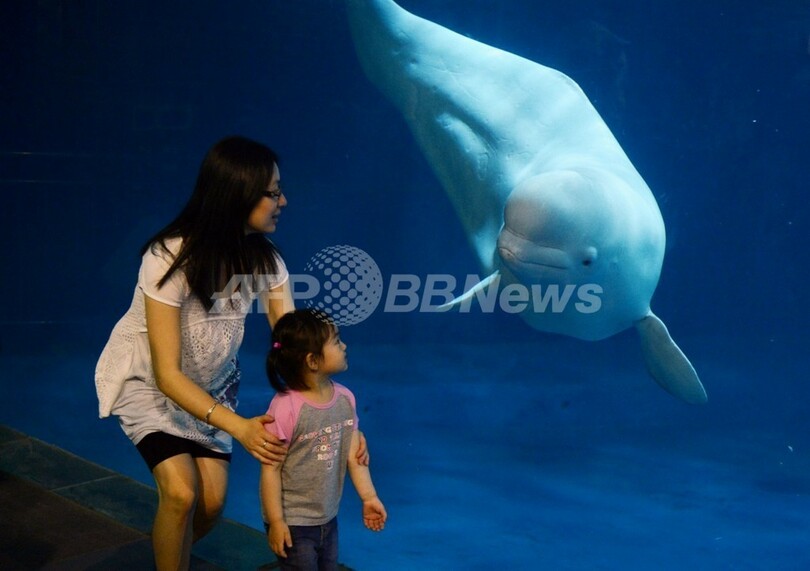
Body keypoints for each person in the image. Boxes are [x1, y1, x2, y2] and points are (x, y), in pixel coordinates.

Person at [94, 136, 367, 570]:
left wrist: (340, 418)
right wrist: (239, 427)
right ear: (238, 193)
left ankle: (167, 555)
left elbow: (297, 349)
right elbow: (167, 374)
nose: (284, 200)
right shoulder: (169, 257)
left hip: (212, 389)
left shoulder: (266, 262)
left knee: (212, 505)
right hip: (148, 382)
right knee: (182, 492)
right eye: (273, 192)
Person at [261, 309, 386, 570]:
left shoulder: (345, 399)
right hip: (293, 521)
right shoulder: (286, 408)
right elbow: (271, 469)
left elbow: (355, 454)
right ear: (313, 361)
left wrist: (369, 497)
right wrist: (276, 521)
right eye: (337, 341)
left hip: (328, 517)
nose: (345, 346)